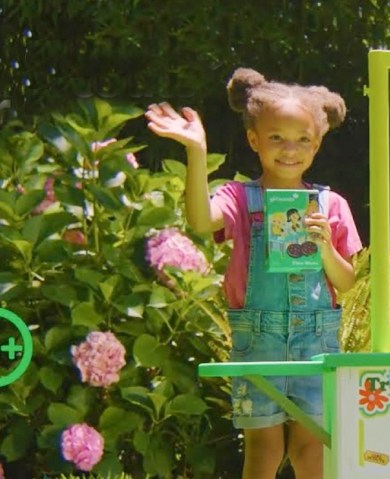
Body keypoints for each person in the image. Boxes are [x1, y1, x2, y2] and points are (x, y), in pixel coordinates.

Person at [145, 67, 362, 479]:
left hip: (316, 338)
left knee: (311, 448)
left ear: (317, 144)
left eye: (303, 140)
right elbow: (198, 219)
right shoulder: (239, 198)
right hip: (257, 339)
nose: (290, 149)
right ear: (254, 139)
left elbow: (347, 283)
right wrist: (196, 151)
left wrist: (325, 248)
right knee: (262, 451)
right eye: (277, 137)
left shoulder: (331, 204)